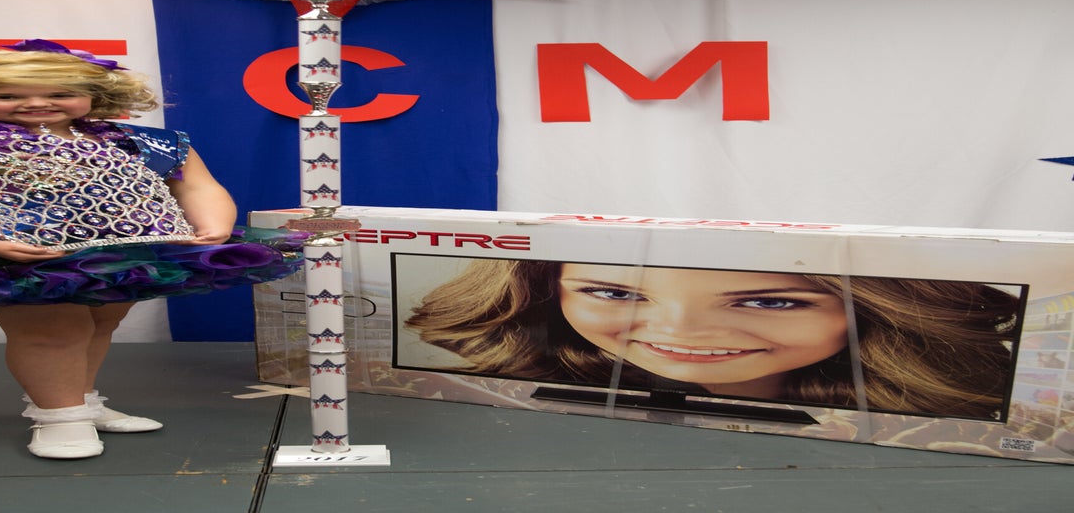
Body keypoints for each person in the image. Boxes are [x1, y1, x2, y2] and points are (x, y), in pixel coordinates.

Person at [0, 41, 306, 459]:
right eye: (6, 96)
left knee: (100, 323)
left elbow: (195, 185)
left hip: (125, 253)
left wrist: (214, 225)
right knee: (52, 331)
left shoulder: (141, 141)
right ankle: (58, 416)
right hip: (11, 256)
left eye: (61, 93)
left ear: (95, 94)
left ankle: (80, 401)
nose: (36, 104)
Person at [404, 258, 1021, 420]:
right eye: (614, 292)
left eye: (771, 301)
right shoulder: (499, 396)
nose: (680, 333)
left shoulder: (960, 414)